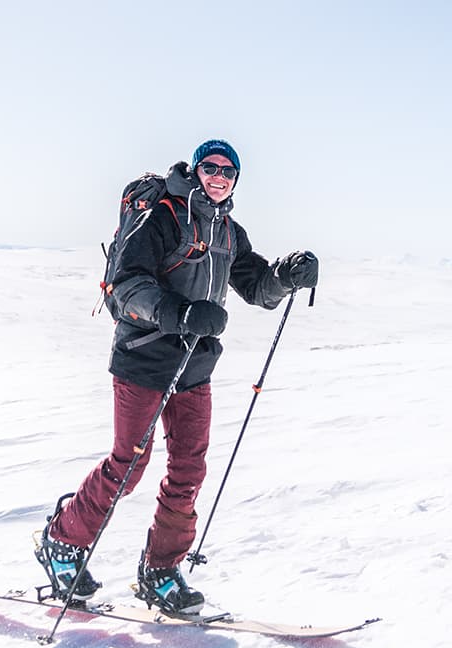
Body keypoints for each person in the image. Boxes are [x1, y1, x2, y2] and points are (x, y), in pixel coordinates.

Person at [35, 139, 319, 615]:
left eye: (229, 171)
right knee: (128, 466)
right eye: (210, 166)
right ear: (196, 168)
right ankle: (63, 542)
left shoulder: (228, 231)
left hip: (194, 366)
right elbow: (127, 286)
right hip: (144, 359)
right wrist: (181, 314)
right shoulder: (162, 216)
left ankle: (161, 570)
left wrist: (287, 277)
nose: (219, 176)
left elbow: (255, 286)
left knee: (188, 470)